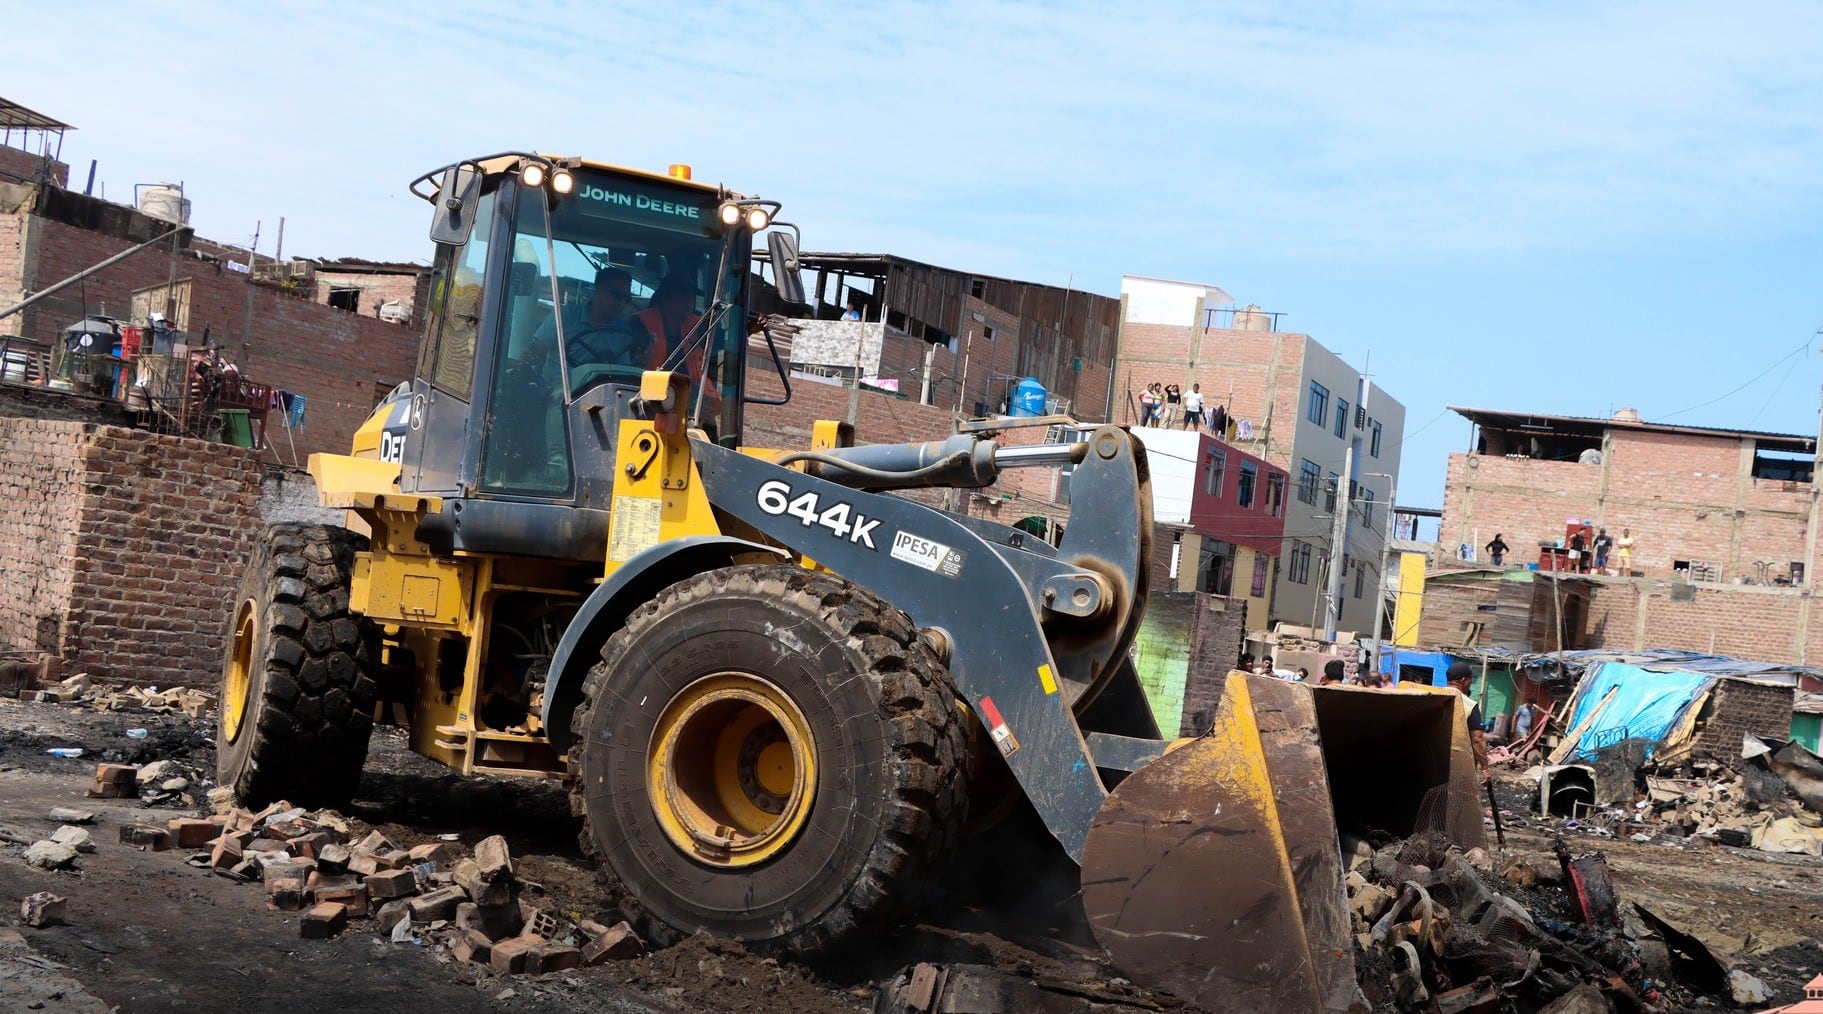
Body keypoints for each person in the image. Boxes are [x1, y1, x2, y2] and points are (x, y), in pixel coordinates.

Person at [534, 266, 651, 379]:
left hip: (600, 390)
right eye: (617, 295)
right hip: (558, 388)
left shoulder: (623, 332)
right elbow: (535, 351)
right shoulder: (564, 316)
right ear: (598, 290)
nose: (622, 303)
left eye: (627, 299)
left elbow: (622, 372)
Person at [1447, 661, 1490, 784]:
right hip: (1457, 764)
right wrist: (1485, 768)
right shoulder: (1469, 705)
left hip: (1429, 759)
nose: (1471, 683)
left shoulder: (1434, 695)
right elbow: (1477, 739)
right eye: (1471, 680)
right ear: (1464, 680)